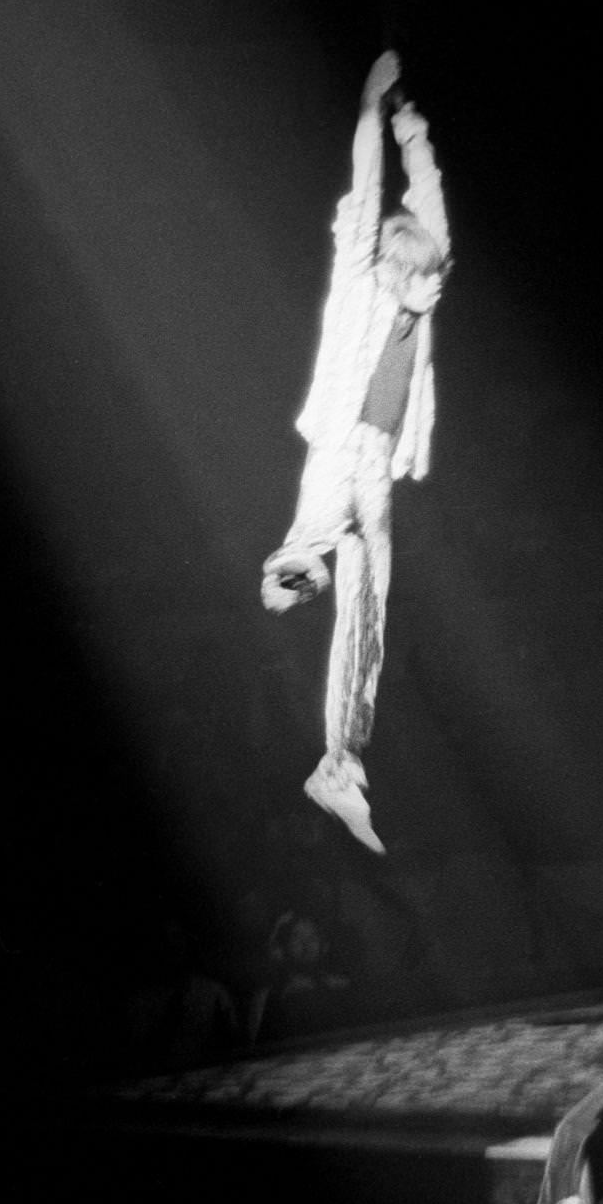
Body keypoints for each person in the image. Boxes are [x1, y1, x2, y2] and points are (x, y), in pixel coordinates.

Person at [262, 49, 451, 852]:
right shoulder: (364, 281)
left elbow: (432, 212)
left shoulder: (423, 276)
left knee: (367, 614)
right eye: (426, 280)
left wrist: (416, 133)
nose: (439, 289)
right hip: (340, 444)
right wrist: (373, 114)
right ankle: (290, 566)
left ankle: (339, 762)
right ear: (395, 272)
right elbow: (372, 198)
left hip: (377, 467)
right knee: (318, 532)